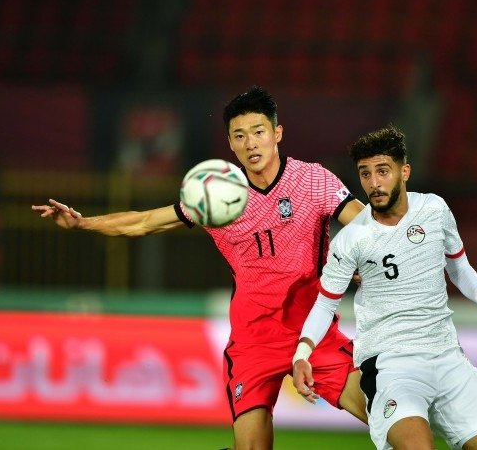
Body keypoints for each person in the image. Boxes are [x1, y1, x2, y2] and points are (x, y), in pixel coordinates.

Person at [32, 86, 368, 449]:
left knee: (382, 414)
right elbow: (145, 221)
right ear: (230, 143)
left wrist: (361, 261)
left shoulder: (312, 181)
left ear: (277, 133)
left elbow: (367, 229)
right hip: (253, 342)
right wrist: (83, 224)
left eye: (258, 131)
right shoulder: (217, 196)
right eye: (240, 136)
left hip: (314, 333)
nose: (251, 143)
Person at [291, 126, 477, 450]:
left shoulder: (434, 210)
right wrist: (303, 354)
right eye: (365, 174)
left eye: (383, 171)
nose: (374, 183)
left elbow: (458, 266)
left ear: (405, 172)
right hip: (391, 364)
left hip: (447, 356)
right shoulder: (351, 239)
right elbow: (324, 304)